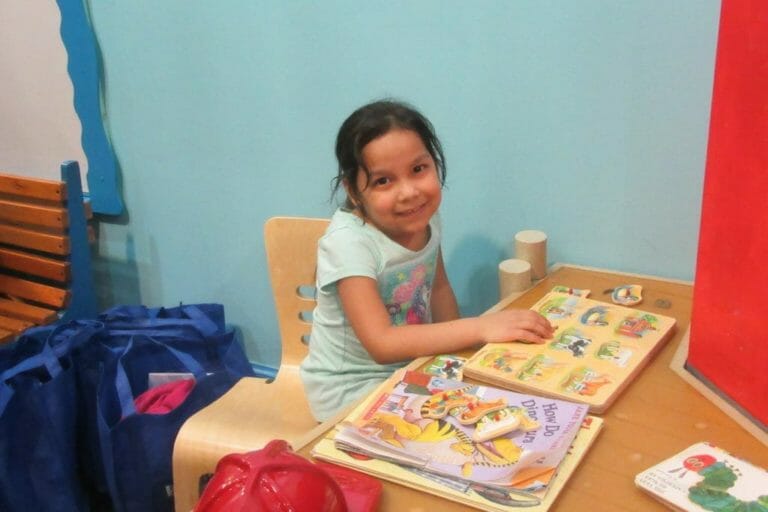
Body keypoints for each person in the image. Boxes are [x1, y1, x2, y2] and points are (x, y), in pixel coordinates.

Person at [299, 99, 554, 421]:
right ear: (353, 190)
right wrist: (479, 327)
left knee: (509, 398)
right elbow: (382, 344)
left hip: (414, 367)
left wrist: (462, 358)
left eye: (418, 169)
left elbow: (439, 288)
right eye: (383, 181)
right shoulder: (349, 244)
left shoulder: (423, 218)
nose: (409, 193)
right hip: (351, 390)